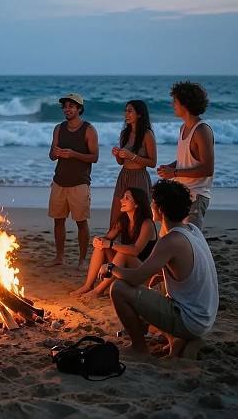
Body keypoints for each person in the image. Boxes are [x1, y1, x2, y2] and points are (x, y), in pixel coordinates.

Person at [107, 180, 218, 359]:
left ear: (159, 209)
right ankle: (177, 339)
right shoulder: (192, 230)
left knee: (118, 289)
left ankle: (139, 348)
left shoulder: (171, 241)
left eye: (153, 202)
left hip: (191, 320)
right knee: (151, 291)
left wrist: (112, 267)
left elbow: (135, 278)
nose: (150, 204)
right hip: (204, 317)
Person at [71, 187, 157, 297]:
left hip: (142, 273)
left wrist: (111, 244)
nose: (122, 200)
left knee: (122, 253)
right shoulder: (124, 220)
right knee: (102, 246)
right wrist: (98, 241)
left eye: (127, 198)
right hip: (125, 269)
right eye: (123, 197)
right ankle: (88, 285)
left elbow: (135, 250)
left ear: (137, 204)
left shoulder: (147, 224)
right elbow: (107, 239)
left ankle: (98, 291)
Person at [48, 93, 99, 269]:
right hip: (59, 181)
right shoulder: (58, 128)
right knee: (58, 220)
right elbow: (51, 155)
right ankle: (59, 257)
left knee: (81, 222)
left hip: (80, 182)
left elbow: (94, 157)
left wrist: (73, 154)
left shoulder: (89, 129)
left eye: (71, 106)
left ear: (79, 109)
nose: (66, 109)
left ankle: (82, 260)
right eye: (65, 106)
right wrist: (55, 153)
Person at [157, 81, 214, 229]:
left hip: (196, 196)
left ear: (185, 104)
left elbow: (208, 169)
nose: (172, 105)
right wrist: (171, 167)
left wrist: (174, 172)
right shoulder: (183, 127)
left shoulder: (202, 130)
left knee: (190, 240)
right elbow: (188, 159)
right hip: (180, 194)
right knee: (169, 236)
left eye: (175, 101)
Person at [109, 100, 156, 229]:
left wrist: (132, 156)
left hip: (139, 177)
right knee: (117, 214)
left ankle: (139, 246)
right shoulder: (124, 133)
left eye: (130, 111)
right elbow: (121, 162)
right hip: (124, 176)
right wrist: (118, 155)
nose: (126, 114)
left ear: (139, 114)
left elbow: (152, 162)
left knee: (138, 217)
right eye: (125, 111)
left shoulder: (147, 134)